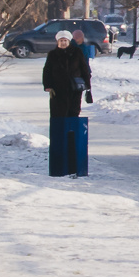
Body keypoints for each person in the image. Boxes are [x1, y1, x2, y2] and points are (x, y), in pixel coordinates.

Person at [43, 29, 90, 177]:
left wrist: (87, 85)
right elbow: (47, 71)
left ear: (69, 41)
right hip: (58, 91)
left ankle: (72, 147)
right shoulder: (52, 55)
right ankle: (60, 147)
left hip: (74, 90)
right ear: (57, 42)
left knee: (73, 114)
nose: (63, 43)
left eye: (65, 40)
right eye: (60, 41)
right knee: (59, 116)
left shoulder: (76, 53)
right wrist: (48, 85)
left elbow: (84, 69)